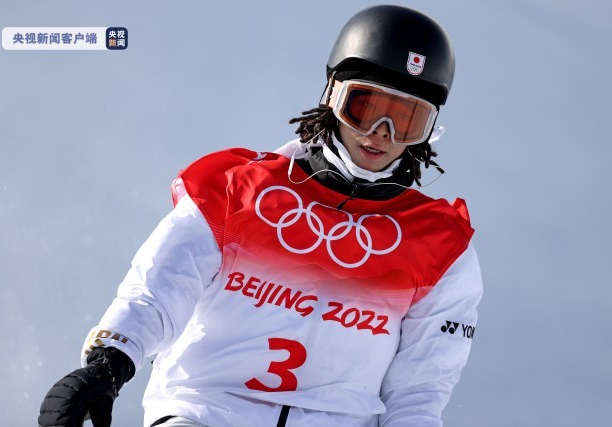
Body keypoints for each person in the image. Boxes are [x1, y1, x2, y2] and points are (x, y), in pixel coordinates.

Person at [39, 4, 482, 427]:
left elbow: (420, 389)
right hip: (206, 412)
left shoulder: (439, 247)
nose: (381, 135)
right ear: (332, 95)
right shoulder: (235, 190)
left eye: (406, 121)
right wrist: (108, 363)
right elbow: (159, 289)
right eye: (364, 108)